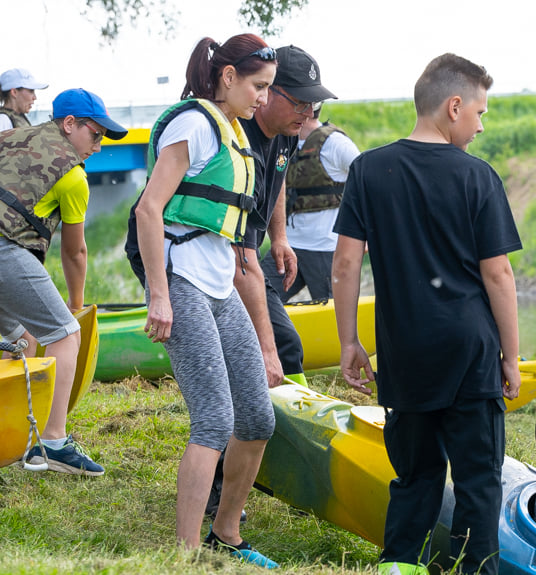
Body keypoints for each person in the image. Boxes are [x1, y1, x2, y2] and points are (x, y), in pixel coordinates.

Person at [333, 53, 521, 575]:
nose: (481, 125)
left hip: (404, 349)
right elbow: (499, 276)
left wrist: (349, 341)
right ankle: (474, 569)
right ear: (453, 106)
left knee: (414, 474)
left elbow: (346, 264)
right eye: (480, 113)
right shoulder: (477, 177)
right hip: (470, 349)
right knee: (478, 480)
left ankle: (400, 566)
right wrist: (513, 354)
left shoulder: (368, 169)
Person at [133, 33, 279, 567]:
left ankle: (227, 533)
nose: (264, 97)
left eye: (268, 88)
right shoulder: (194, 123)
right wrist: (159, 295)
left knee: (258, 419)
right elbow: (150, 211)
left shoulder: (234, 130)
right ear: (227, 77)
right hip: (184, 282)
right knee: (214, 420)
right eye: (258, 86)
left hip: (220, 284)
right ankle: (186, 553)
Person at [205, 43, 339, 520]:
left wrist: (278, 235)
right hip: (202, 263)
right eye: (299, 102)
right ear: (267, 93)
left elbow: (277, 179)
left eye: (313, 105)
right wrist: (261, 345)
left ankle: (297, 448)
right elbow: (239, 261)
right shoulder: (235, 138)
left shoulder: (284, 132)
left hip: (244, 255)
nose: (308, 113)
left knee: (287, 348)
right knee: (238, 371)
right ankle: (219, 493)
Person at [0, 88, 127, 475]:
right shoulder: (71, 176)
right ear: (69, 125)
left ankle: (10, 432)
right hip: (4, 249)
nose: (100, 146)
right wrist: (75, 305)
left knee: (20, 338)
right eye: (96, 134)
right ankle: (52, 443)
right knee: (64, 336)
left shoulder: (8, 136)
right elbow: (75, 253)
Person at [263, 102, 359, 302]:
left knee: (335, 314)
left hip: (326, 249)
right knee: (258, 299)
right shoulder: (280, 142)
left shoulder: (336, 144)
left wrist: (364, 232)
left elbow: (369, 183)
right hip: (289, 246)